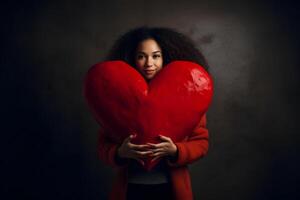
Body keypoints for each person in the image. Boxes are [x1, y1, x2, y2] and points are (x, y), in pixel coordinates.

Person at [98, 26, 210, 200]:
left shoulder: (189, 97)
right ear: (132, 59)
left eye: (156, 56)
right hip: (130, 190)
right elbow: (102, 145)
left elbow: (201, 143)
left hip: (171, 190)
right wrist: (120, 152)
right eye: (141, 56)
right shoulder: (117, 98)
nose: (149, 63)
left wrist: (176, 150)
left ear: (165, 58)